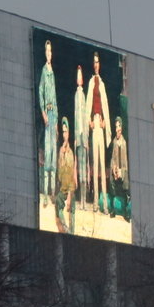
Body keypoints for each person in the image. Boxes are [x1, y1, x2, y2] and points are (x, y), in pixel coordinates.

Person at [86, 51, 111, 215]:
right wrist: (89, 120)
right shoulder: (90, 83)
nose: (96, 64)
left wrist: (104, 123)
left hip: (100, 124)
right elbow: (89, 102)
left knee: (102, 164)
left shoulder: (101, 83)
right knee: (95, 164)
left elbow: (106, 106)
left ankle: (105, 205)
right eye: (94, 62)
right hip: (93, 123)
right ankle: (95, 203)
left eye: (98, 62)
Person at [37, 39, 57, 204]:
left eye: (51, 51)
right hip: (47, 115)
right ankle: (44, 194)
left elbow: (55, 98)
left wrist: (56, 121)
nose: (49, 54)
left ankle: (51, 193)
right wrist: (43, 112)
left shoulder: (53, 71)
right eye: (47, 51)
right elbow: (40, 91)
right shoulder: (44, 70)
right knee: (47, 152)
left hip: (54, 116)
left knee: (53, 156)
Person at [54, 117, 76, 233]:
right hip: (63, 190)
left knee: (72, 208)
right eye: (63, 132)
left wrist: (69, 197)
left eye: (66, 132)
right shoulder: (61, 152)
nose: (64, 134)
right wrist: (61, 157)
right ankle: (66, 230)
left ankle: (72, 233)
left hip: (70, 191)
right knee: (58, 202)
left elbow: (71, 177)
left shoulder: (70, 153)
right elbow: (60, 175)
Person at [72, 65, 89, 209]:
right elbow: (76, 116)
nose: (79, 79)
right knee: (79, 171)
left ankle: (84, 200)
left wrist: (86, 137)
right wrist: (76, 136)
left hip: (85, 139)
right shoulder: (76, 96)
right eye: (78, 76)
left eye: (81, 76)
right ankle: (79, 199)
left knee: (85, 173)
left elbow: (84, 116)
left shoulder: (84, 95)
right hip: (79, 137)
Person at [108, 116, 129, 218]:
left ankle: (126, 212)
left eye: (119, 126)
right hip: (115, 170)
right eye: (116, 127)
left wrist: (122, 172)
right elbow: (113, 158)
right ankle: (113, 210)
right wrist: (114, 169)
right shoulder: (114, 142)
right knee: (113, 187)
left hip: (123, 171)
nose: (117, 129)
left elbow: (125, 161)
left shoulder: (124, 143)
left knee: (125, 189)